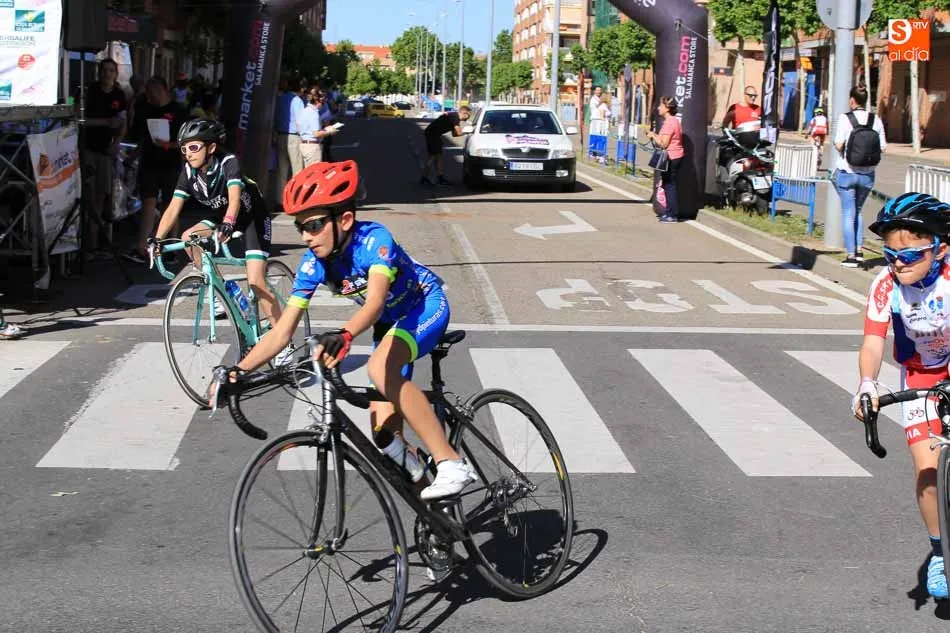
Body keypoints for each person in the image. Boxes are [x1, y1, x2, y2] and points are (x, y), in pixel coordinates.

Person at [209, 160, 476, 500]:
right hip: (389, 325)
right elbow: (281, 332)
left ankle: (451, 462)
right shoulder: (313, 264)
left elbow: (374, 303)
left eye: (314, 225)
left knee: (379, 368)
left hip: (423, 305)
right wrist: (238, 371)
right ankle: (438, 514)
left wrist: (345, 334)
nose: (306, 236)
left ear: (345, 220)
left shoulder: (374, 240)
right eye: (300, 227)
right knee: (385, 438)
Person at [854, 192, 950, 601]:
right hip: (921, 374)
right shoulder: (885, 285)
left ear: (940, 249)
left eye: (910, 255)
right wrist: (867, 384)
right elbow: (873, 342)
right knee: (927, 471)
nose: (898, 263)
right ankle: (941, 554)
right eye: (891, 253)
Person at [148, 119, 292, 364]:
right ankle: (218, 291)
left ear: (211, 147)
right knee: (188, 238)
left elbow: (234, 198)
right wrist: (157, 239)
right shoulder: (188, 172)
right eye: (184, 148)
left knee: (256, 281)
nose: (188, 153)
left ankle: (283, 343)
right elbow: (173, 207)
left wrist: (228, 224)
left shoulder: (228, 162)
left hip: (251, 218)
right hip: (221, 217)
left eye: (194, 147)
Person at [126, 76, 188, 264]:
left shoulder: (178, 111)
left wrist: (170, 145)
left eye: (153, 92)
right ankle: (142, 248)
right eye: (149, 93)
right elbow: (138, 135)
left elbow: (186, 140)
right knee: (148, 203)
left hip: (171, 163)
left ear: (163, 90)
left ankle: (171, 248)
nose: (151, 96)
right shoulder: (146, 109)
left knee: (170, 204)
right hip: (149, 162)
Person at [78, 58, 127, 261]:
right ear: (99, 72)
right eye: (104, 70)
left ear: (116, 74)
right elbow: (80, 119)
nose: (107, 74)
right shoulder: (90, 92)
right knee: (89, 196)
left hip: (107, 152)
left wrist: (117, 142)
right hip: (89, 149)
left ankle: (99, 243)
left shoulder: (119, 94)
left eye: (111, 71)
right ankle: (90, 244)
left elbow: (123, 121)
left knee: (103, 197)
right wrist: (104, 122)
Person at [834, 85, 887, 268]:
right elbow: (882, 147)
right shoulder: (875, 119)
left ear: (852, 100)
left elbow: (838, 144)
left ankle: (851, 256)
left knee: (848, 213)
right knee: (858, 211)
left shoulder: (845, 118)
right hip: (867, 175)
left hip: (847, 173)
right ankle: (859, 251)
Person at [645, 96, 685, 224]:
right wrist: (654, 135)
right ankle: (670, 212)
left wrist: (653, 135)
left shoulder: (669, 123)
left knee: (669, 185)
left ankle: (672, 214)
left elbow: (664, 144)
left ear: (667, 108)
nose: (658, 108)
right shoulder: (673, 121)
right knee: (668, 184)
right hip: (675, 155)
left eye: (661, 106)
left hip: (671, 157)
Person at [274, 76, 305, 208]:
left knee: (281, 171)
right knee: (297, 170)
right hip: (294, 137)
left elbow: (276, 117)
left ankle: (280, 200)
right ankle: (295, 199)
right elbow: (300, 121)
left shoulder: (280, 99)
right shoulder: (297, 101)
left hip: (281, 135)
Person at [420, 105, 471, 186]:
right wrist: (469, 131)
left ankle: (439, 178)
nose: (469, 117)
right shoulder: (454, 117)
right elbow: (458, 132)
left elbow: (454, 134)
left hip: (434, 135)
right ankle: (425, 178)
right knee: (432, 157)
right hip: (433, 135)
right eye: (469, 115)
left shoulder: (454, 117)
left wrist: (465, 132)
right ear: (464, 113)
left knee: (438, 157)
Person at [295, 88, 337, 168]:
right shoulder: (314, 114)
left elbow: (297, 126)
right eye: (323, 102)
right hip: (312, 146)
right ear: (317, 101)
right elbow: (316, 134)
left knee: (308, 172)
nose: (323, 105)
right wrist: (329, 131)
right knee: (314, 172)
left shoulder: (304, 110)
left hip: (304, 144)